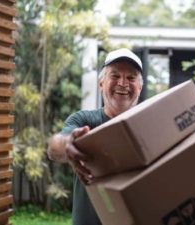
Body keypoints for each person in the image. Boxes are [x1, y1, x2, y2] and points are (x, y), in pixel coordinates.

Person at [47, 48, 143, 225]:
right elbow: (55, 147)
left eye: (131, 77)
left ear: (140, 87)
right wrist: (68, 143)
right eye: (115, 76)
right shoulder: (84, 120)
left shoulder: (148, 126)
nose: (123, 83)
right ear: (101, 84)